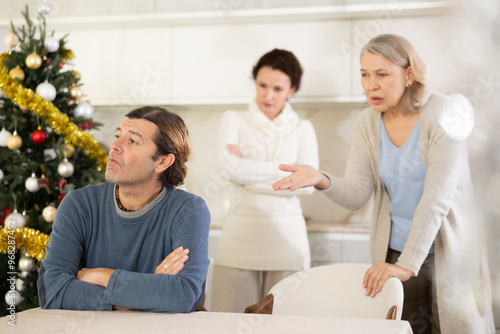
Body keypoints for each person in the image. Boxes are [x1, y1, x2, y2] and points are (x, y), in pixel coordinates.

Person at [272, 34, 495, 334]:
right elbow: (358, 193)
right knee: (403, 329)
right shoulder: (367, 122)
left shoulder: (444, 114)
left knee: (456, 328)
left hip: (447, 252)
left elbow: (437, 198)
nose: (370, 85)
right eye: (364, 74)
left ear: (409, 75)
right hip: (395, 257)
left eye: (382, 74)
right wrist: (323, 179)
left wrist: (408, 265)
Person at [37, 106, 211, 313]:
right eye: (118, 136)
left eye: (132, 141)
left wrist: (101, 275)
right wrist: (145, 296)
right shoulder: (79, 204)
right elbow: (53, 291)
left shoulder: (189, 210)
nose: (115, 146)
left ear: (163, 161)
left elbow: (184, 295)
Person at [211, 49, 319, 312]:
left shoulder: (303, 128)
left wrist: (247, 174)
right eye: (262, 85)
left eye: (277, 88)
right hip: (239, 235)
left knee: (285, 324)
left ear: (292, 89)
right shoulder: (233, 120)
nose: (267, 95)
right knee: (229, 324)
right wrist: (284, 172)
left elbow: (308, 187)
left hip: (287, 240)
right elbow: (229, 169)